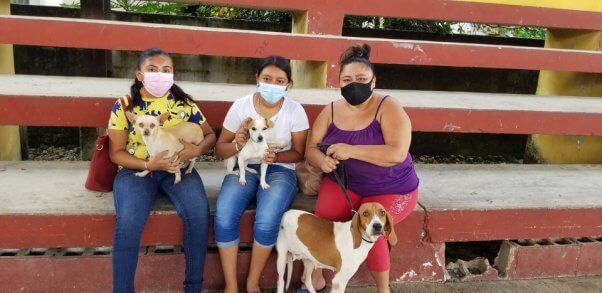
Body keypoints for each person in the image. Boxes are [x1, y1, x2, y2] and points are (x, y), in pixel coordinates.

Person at [304, 44, 419, 293]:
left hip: (393, 187)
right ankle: (317, 277)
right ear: (339, 82)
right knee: (321, 219)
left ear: (373, 81)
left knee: (371, 229)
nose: (353, 84)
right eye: (347, 79)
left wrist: (351, 150)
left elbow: (397, 153)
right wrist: (321, 161)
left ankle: (383, 289)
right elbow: (311, 149)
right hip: (346, 184)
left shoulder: (389, 107)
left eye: (361, 79)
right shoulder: (331, 110)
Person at [108, 48, 216, 293]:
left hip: (178, 166)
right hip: (137, 169)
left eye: (166, 70)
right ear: (139, 74)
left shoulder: (184, 104)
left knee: (199, 214)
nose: (160, 75)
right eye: (152, 70)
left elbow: (210, 135)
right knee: (128, 221)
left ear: (173, 75)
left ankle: (193, 288)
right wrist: (148, 165)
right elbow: (116, 153)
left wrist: (196, 151)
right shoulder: (124, 105)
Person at [213, 55, 309, 293]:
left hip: (279, 169)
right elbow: (219, 150)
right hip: (244, 166)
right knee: (224, 216)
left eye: (279, 80)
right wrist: (237, 144)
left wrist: (276, 157)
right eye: (267, 78)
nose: (272, 85)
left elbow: (298, 153)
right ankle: (231, 286)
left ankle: (253, 283)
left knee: (266, 222)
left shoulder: (295, 111)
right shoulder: (241, 107)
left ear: (288, 84)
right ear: (257, 78)